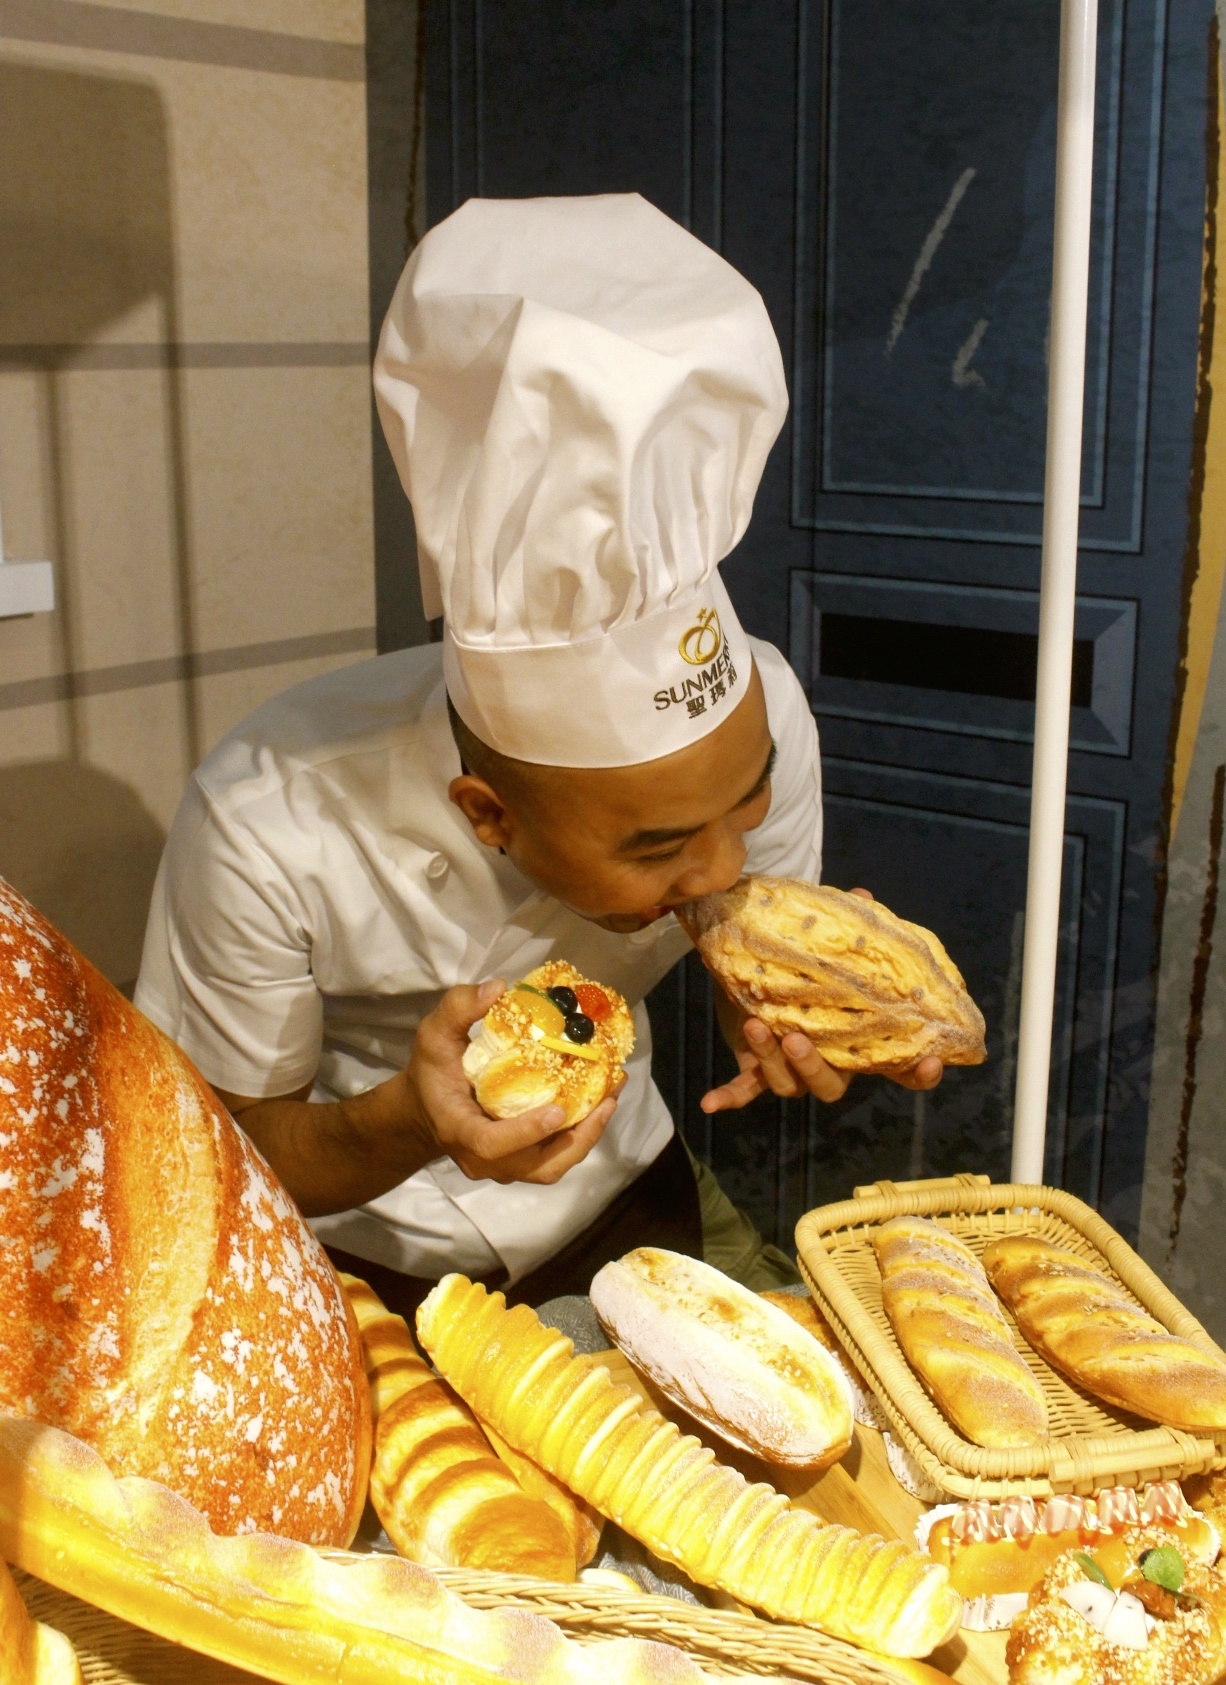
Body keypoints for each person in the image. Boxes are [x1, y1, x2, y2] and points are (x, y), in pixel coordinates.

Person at [135, 194, 940, 1323]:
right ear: (487, 811)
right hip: (361, 1249)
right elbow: (219, 1154)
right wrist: (407, 1121)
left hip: (629, 1190)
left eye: (744, 809)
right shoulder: (268, 817)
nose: (719, 871)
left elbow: (736, 977)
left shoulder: (766, 722)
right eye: (657, 846)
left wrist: (792, 1020)